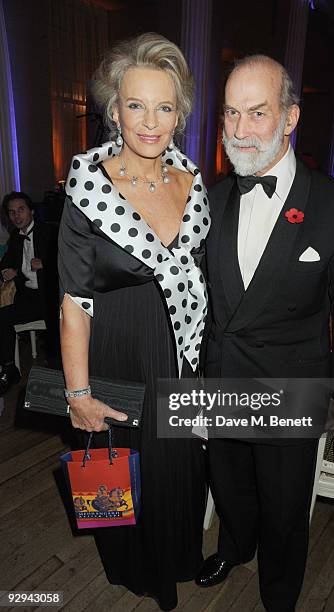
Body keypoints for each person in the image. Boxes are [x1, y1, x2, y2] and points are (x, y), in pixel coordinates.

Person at [197, 55, 334, 611]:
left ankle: (279, 593)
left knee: (284, 505)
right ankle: (234, 546)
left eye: (257, 113)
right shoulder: (213, 196)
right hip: (220, 378)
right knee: (228, 485)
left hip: (290, 385)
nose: (240, 130)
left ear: (290, 117)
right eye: (231, 113)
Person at [58, 33, 210, 611]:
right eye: (137, 105)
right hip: (117, 352)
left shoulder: (193, 182)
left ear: (180, 114)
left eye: (165, 107)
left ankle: (175, 559)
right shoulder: (89, 186)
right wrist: (78, 392)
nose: (151, 122)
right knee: (122, 473)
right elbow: (74, 299)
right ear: (113, 109)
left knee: (177, 471)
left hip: (181, 356)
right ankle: (135, 568)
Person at [0, 191, 58, 394]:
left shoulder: (50, 232)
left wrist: (46, 264)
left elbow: (70, 262)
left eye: (21, 210)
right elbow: (6, 260)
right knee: (2, 317)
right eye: (11, 212)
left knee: (55, 338)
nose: (16, 216)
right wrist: (6, 270)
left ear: (32, 211)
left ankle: (58, 377)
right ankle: (9, 368)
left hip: (52, 297)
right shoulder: (16, 237)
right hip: (29, 298)